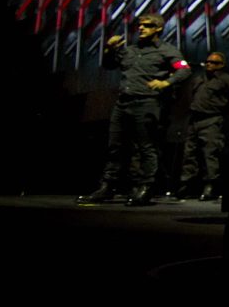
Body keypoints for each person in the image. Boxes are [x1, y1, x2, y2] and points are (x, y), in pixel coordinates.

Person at [78, 12, 191, 206]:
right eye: (140, 25)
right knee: (115, 146)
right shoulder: (130, 50)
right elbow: (109, 65)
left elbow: (184, 69)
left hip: (147, 102)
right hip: (123, 102)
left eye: (147, 25)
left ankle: (145, 187)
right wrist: (109, 49)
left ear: (158, 28)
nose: (141, 28)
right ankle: (107, 186)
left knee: (146, 147)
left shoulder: (167, 50)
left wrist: (166, 83)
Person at [178, 51, 229, 200]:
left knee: (210, 153)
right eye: (207, 62)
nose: (209, 65)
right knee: (189, 153)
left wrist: (224, 110)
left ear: (221, 65)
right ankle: (187, 183)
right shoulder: (199, 78)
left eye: (214, 62)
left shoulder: (226, 79)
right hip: (195, 120)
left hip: (211, 119)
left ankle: (210, 184)